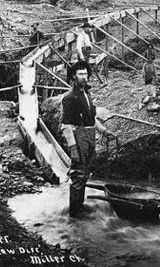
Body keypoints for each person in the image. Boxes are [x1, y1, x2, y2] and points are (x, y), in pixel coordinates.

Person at [61, 60, 114, 218]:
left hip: (90, 135)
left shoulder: (87, 93)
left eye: (85, 74)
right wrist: (73, 148)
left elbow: (91, 118)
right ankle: (75, 214)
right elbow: (65, 125)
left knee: (85, 173)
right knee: (78, 174)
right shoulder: (69, 97)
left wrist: (103, 130)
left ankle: (80, 207)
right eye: (80, 74)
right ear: (73, 77)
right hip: (79, 136)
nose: (84, 77)